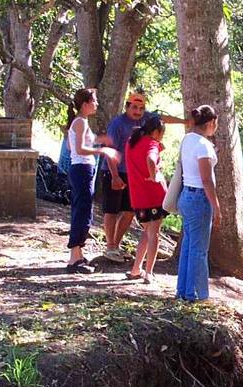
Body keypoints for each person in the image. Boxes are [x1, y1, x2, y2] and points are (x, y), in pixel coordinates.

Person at [100, 92, 184, 263]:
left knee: (129, 211)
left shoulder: (146, 119)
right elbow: (109, 152)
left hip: (132, 175)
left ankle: (116, 245)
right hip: (113, 171)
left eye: (141, 108)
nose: (138, 111)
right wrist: (115, 176)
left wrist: (185, 122)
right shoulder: (117, 124)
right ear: (127, 107)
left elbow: (162, 118)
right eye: (134, 107)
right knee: (111, 210)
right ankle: (110, 247)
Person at [66, 88, 119, 274]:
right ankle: (74, 258)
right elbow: (79, 149)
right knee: (81, 210)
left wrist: (98, 140)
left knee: (84, 209)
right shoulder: (79, 122)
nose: (96, 104)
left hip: (82, 169)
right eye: (94, 101)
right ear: (85, 104)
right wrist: (102, 151)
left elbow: (71, 144)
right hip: (81, 169)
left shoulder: (80, 122)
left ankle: (78, 254)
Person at [176, 105, 220, 301]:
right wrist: (216, 206)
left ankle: (183, 291)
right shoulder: (203, 145)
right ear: (211, 123)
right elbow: (206, 179)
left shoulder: (188, 139)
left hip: (186, 195)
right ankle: (198, 294)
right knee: (199, 249)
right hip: (199, 198)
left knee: (188, 245)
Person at [124, 116, 168, 284]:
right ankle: (149, 272)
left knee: (147, 231)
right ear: (156, 132)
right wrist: (154, 175)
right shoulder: (152, 144)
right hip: (153, 195)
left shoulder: (131, 141)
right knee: (154, 233)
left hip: (137, 196)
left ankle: (136, 269)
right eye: (161, 134)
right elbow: (149, 158)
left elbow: (139, 157)